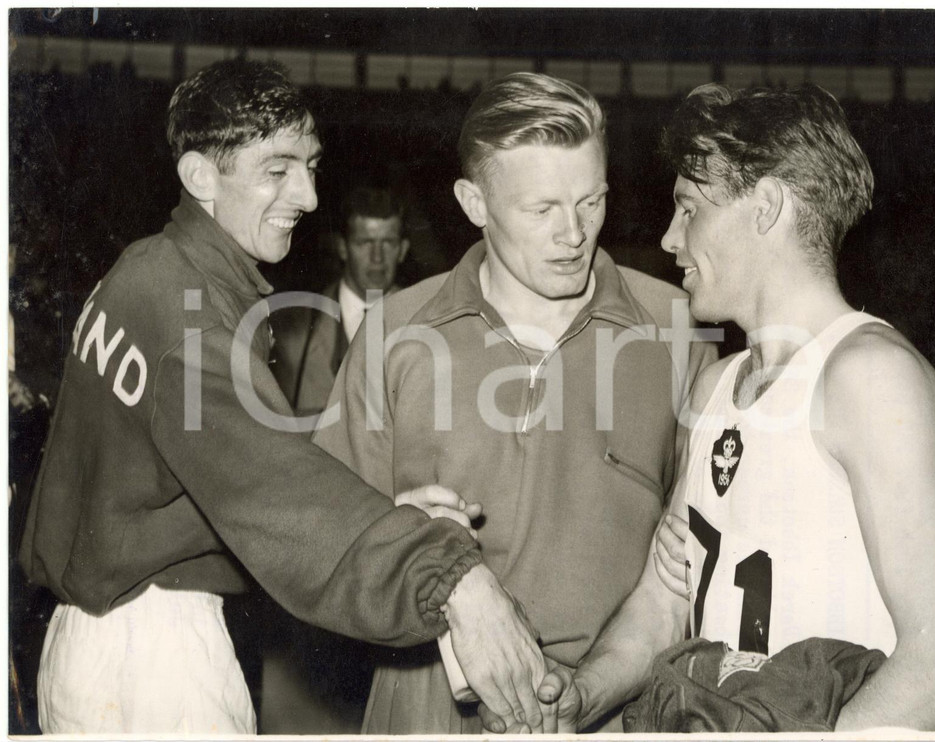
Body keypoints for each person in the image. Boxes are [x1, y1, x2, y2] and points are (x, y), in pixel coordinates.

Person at [16, 58, 551, 735]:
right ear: (200, 175)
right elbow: (271, 489)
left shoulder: (144, 270)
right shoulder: (193, 314)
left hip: (97, 640)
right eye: (277, 170)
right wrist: (449, 576)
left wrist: (377, 507)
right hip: (160, 656)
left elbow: (216, 474)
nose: (309, 195)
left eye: (311, 165)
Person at [513, 82, 935, 733]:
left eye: (688, 208)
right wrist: (579, 698)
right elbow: (663, 600)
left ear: (765, 207)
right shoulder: (716, 388)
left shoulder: (870, 376)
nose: (670, 237)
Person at [312, 71, 718, 734]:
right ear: (474, 202)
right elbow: (320, 557)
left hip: (614, 713)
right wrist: (392, 537)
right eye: (542, 209)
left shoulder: (678, 331)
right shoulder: (395, 335)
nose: (574, 233)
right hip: (426, 718)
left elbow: (693, 570)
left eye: (592, 202)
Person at [271, 186, 410, 415]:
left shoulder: (428, 319)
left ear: (403, 250)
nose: (377, 258)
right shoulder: (290, 332)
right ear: (343, 248)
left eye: (388, 243)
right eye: (365, 243)